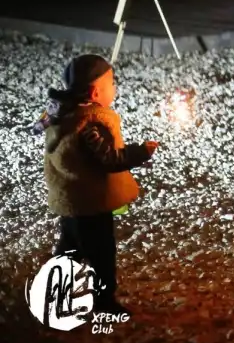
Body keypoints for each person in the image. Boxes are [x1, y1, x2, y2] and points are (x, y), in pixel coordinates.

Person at [35, 54, 159, 315]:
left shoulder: (60, 111)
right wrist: (141, 152)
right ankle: (104, 302)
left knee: (69, 248)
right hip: (91, 203)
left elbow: (37, 127)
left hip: (71, 200)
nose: (115, 87)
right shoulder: (91, 123)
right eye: (111, 83)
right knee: (101, 253)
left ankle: (53, 293)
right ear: (94, 92)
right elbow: (109, 159)